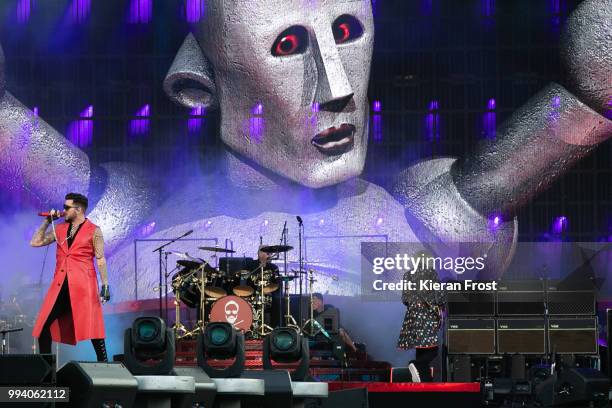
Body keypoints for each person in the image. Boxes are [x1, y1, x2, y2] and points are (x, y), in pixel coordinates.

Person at [30, 193, 110, 362]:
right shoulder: (59, 229)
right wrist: (46, 222)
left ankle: (104, 364)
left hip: (84, 285)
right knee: (43, 325)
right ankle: (47, 372)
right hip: (61, 285)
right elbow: (35, 242)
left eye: (67, 207)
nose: (63, 210)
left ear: (78, 209)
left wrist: (105, 285)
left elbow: (100, 259)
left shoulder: (94, 230)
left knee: (93, 327)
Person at [397, 251, 446, 382]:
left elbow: (405, 299)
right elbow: (439, 297)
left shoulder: (408, 274)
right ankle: (416, 365)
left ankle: (424, 380)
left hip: (413, 317)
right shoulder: (432, 273)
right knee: (432, 351)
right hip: (427, 316)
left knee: (421, 349)